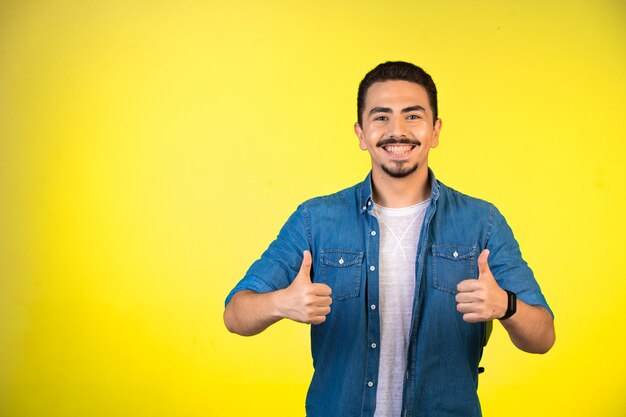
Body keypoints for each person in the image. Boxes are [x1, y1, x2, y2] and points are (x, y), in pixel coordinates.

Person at [223, 61, 555, 417]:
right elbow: (235, 314)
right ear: (361, 134)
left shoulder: (482, 222)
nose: (397, 131)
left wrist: (506, 306)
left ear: (436, 130)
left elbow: (543, 336)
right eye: (381, 117)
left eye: (413, 116)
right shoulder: (314, 220)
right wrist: (279, 303)